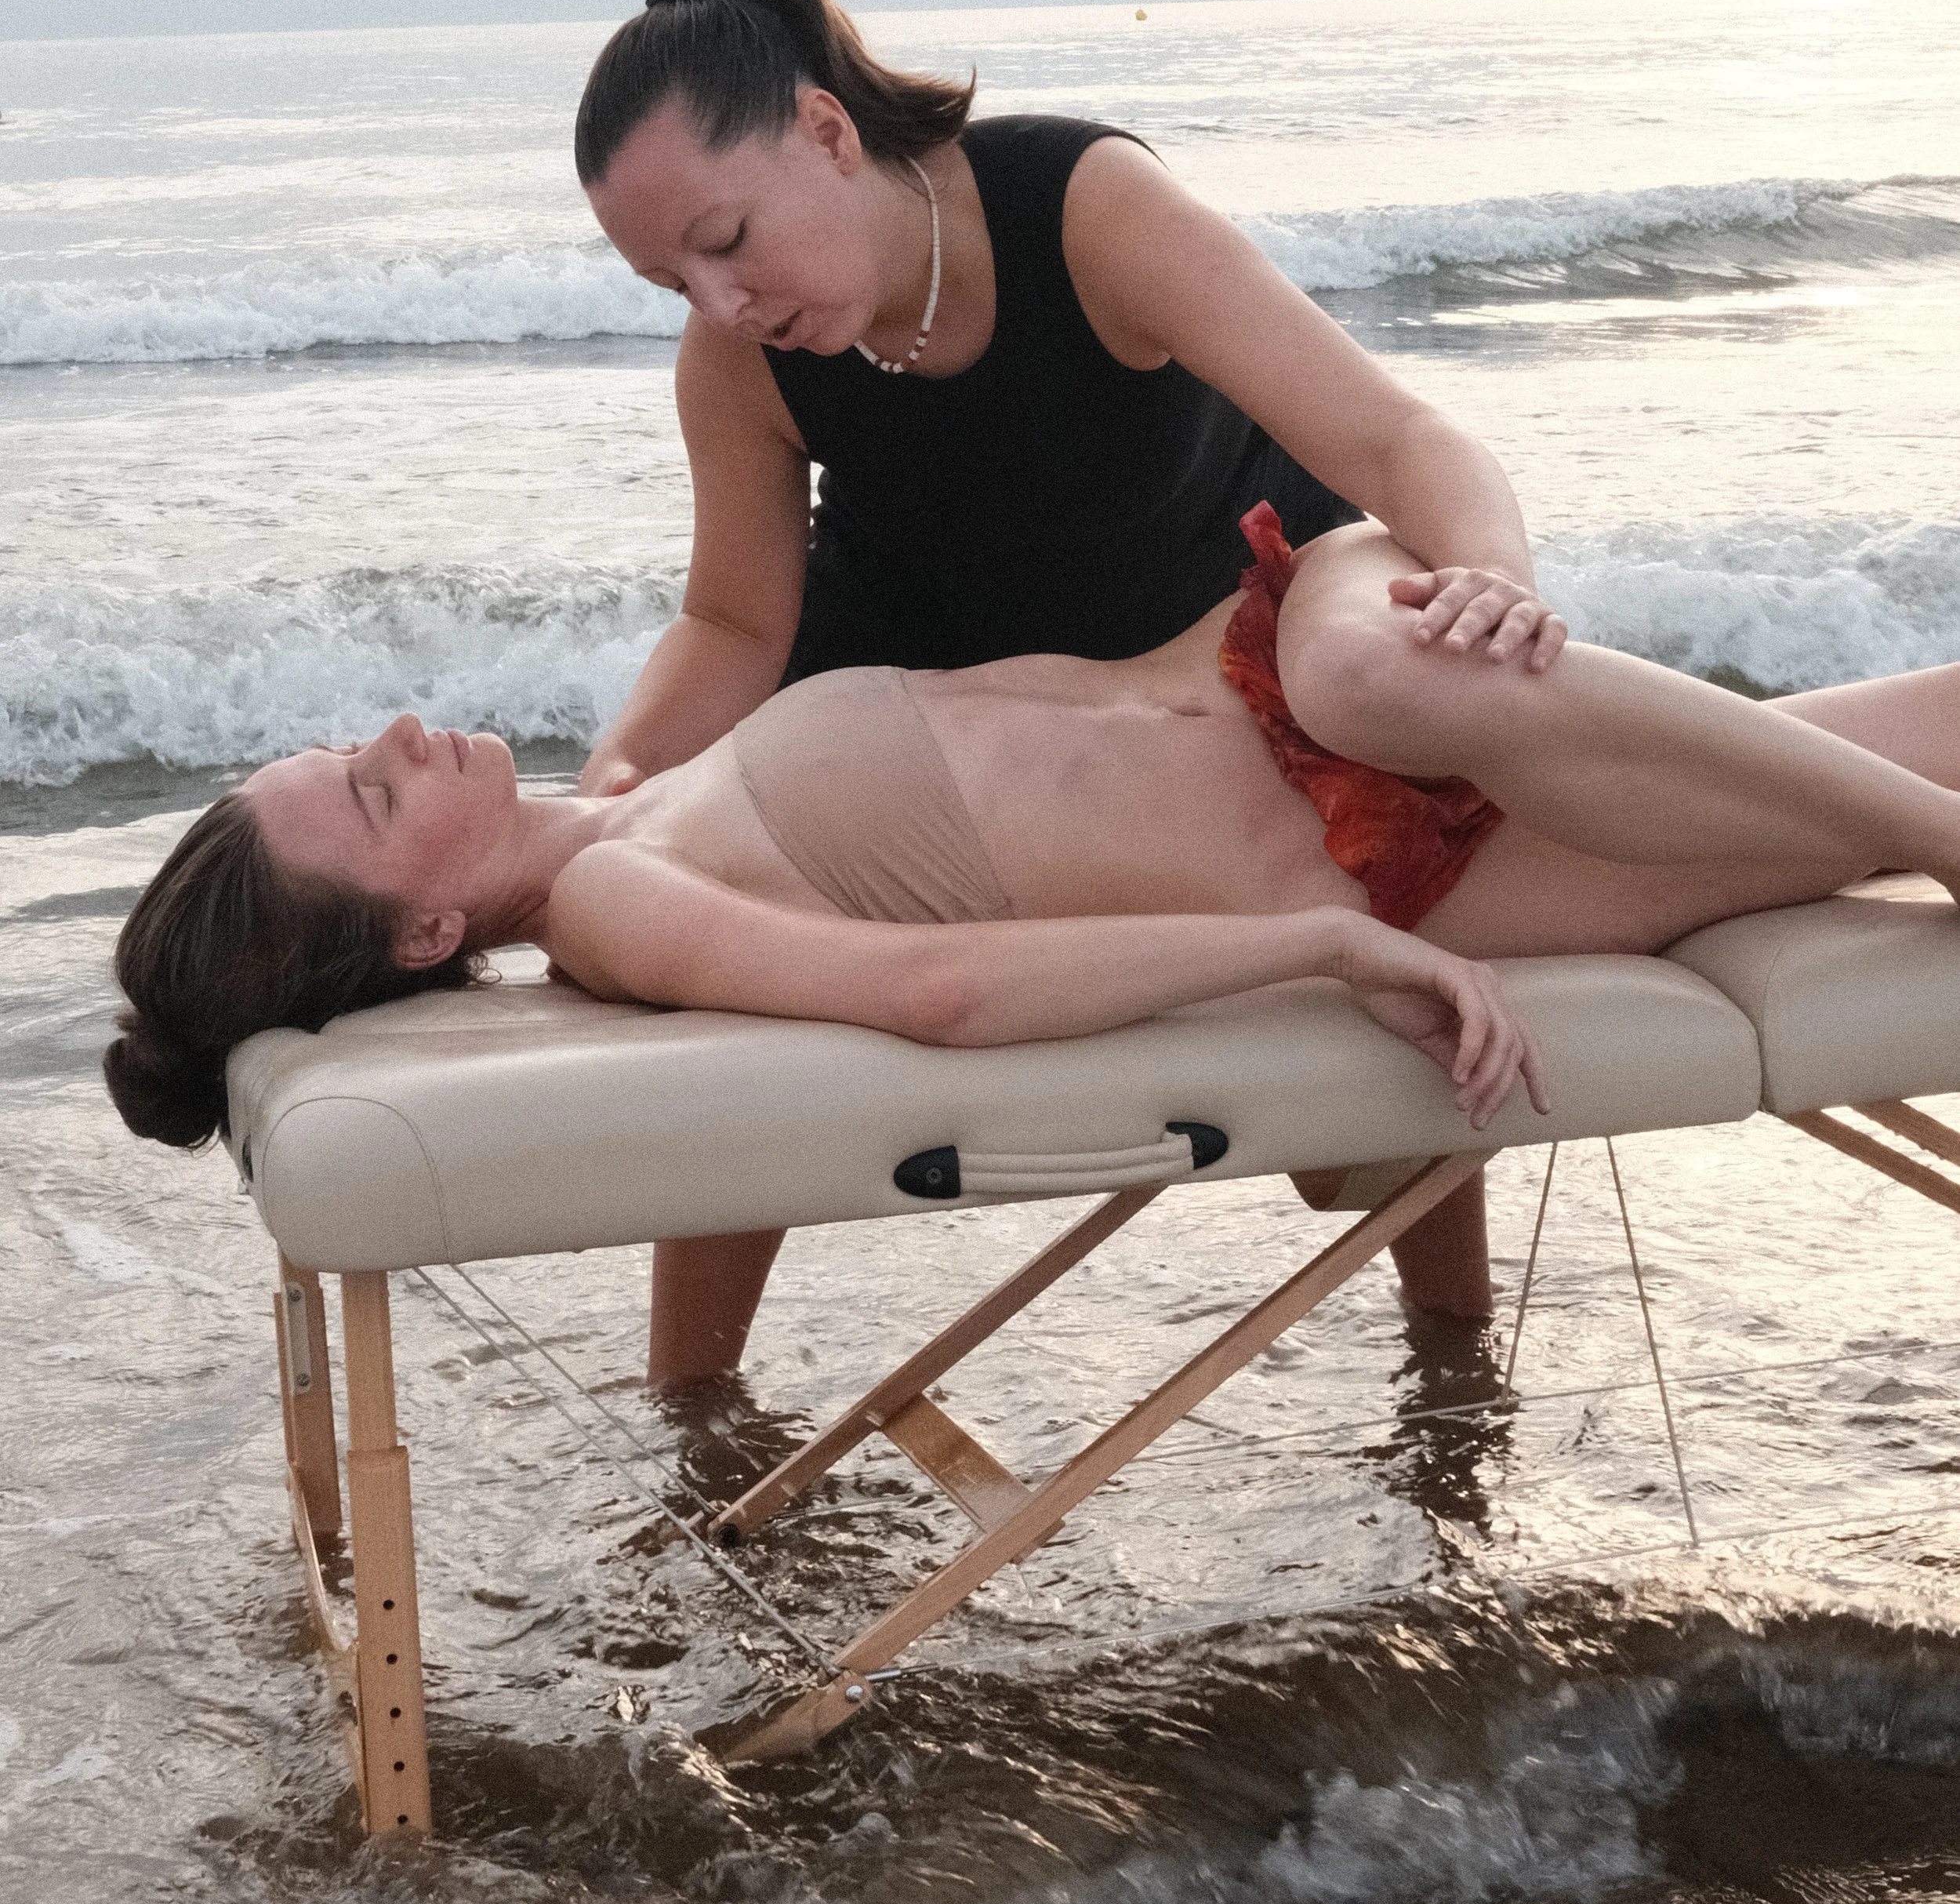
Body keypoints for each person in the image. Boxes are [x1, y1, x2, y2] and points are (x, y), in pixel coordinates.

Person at [107, 514, 1960, 1330]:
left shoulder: (635, 792)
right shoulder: (617, 906)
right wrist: (1319, 951)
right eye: (370, 794)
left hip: (1303, 665)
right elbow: (937, 989)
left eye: (348, 742)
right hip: (1398, 851)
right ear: (428, 936)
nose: (401, 735)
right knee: (1889, 750)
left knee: (1872, 750)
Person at [570, 0, 1572, 1364]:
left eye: (726, 242)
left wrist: (1489, 589)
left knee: (1365, 1099)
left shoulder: (1088, 212)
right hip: (919, 718)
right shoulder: (742, 358)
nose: (719, 304)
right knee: (741, 1063)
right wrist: (628, 766)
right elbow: (736, 619)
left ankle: (1455, 1374)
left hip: (1216, 682)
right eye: (671, 281)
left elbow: (1397, 438)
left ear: (827, 130)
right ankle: (693, 1421)